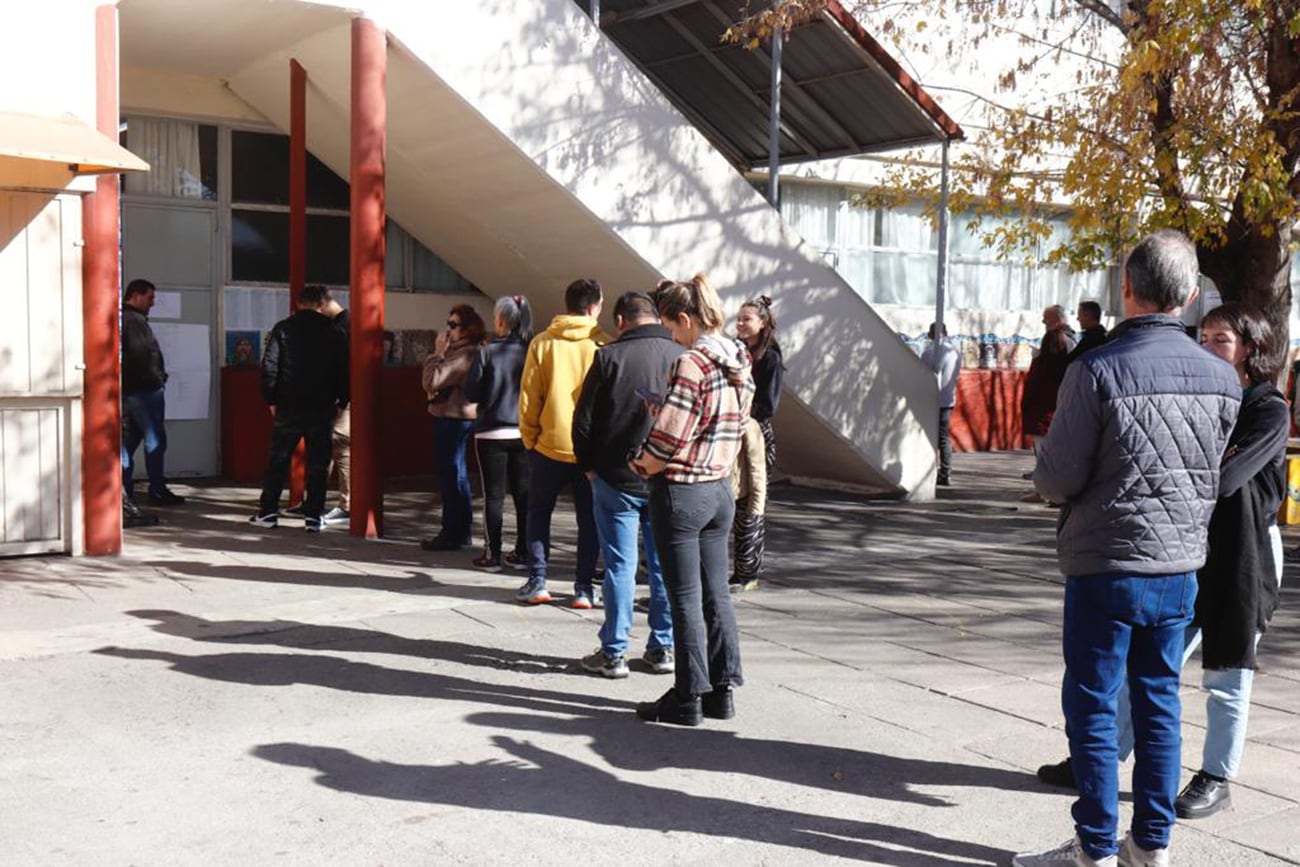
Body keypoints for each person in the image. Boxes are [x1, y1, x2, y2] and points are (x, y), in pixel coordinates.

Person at [1013, 230, 1241, 867]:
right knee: (1159, 702)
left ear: (1127, 289)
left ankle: (1095, 849)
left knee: (1091, 705)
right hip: (1178, 564)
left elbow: (1057, 477)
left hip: (1106, 561)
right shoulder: (1223, 379)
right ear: (1191, 296)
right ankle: (1152, 844)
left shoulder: (1096, 368)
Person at [1035, 303, 1288, 825]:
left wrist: (1170, 463)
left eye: (1222, 339)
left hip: (1244, 554)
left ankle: (1217, 776)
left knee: (1228, 670)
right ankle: (1099, 761)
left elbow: (1224, 476)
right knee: (1147, 670)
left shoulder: (1268, 408)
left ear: (1250, 348)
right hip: (1185, 543)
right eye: (1206, 336)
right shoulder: (1204, 392)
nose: (1210, 346)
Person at [630, 274, 754, 727]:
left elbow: (667, 440)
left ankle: (687, 697)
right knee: (716, 596)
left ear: (685, 319)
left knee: (683, 598)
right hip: (719, 488)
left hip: (682, 492)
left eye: (670, 325)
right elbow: (737, 420)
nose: (670, 334)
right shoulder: (736, 356)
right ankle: (721, 692)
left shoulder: (691, 363)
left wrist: (640, 464)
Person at [573, 291, 682, 678]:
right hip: (667, 478)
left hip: (615, 477)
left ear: (621, 320)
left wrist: (587, 466)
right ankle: (663, 647)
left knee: (620, 566)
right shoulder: (680, 355)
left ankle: (614, 652)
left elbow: (583, 421)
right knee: (663, 566)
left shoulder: (608, 357)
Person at [516, 278, 607, 607]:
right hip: (590, 452)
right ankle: (584, 587)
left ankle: (538, 580)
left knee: (539, 513)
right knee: (590, 519)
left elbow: (529, 397)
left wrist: (530, 438)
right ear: (594, 307)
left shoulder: (542, 343)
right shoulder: (603, 346)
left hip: (547, 445)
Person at [248, 285, 350, 532]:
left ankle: (268, 512)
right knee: (318, 463)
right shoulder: (334, 332)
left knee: (278, 460)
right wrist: (341, 401)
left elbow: (269, 366)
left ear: (298, 303)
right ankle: (314, 516)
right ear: (321, 304)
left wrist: (271, 399)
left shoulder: (283, 329)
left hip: (289, 404)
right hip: (322, 405)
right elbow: (343, 371)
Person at [463, 295, 533, 571]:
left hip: (492, 430)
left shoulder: (487, 351)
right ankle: (523, 551)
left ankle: (492, 554)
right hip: (524, 430)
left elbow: (471, 391)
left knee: (493, 496)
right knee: (523, 493)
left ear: (501, 320)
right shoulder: (532, 350)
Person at [421, 304, 486, 551]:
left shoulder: (464, 354)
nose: (448, 330)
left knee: (451, 474)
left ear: (467, 329)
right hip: (454, 417)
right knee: (455, 473)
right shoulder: (466, 351)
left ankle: (452, 531)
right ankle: (461, 529)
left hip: (454, 419)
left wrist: (436, 353)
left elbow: (432, 380)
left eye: (453, 325)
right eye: (448, 324)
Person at [121, 278, 185, 510]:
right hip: (144, 391)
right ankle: (157, 489)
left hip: (131, 391)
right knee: (155, 440)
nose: (153, 302)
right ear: (135, 296)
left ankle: (124, 490)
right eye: (150, 297)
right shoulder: (135, 321)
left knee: (129, 441)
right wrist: (157, 379)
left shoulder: (124, 319)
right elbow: (142, 355)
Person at [1020, 304, 1076, 501]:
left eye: (1046, 319)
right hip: (1052, 406)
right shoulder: (1067, 343)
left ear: (1057, 320)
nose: (1043, 323)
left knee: (1046, 452)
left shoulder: (1060, 342)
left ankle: (1046, 491)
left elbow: (1046, 378)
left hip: (1048, 407)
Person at [728, 415, 767, 593]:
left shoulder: (749, 425)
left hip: (739, 492)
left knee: (748, 534)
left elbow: (757, 469)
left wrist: (756, 507)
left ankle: (747, 576)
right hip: (719, 491)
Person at [920, 322, 960, 487]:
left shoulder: (929, 353)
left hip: (931, 399)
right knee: (943, 437)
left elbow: (923, 375)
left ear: (930, 334)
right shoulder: (955, 352)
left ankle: (930, 471)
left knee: (929, 436)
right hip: (948, 399)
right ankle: (945, 471)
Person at [1067, 300, 1108, 365]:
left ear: (1087, 316)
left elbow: (1071, 360)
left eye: (1079, 315)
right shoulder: (1106, 336)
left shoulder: (1090, 340)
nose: (1077, 319)